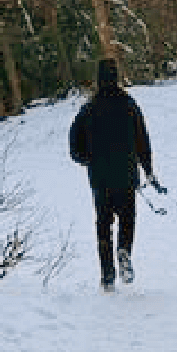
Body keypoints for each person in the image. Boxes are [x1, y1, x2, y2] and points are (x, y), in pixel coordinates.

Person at [69, 58, 155, 291]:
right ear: (116, 77)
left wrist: (86, 159)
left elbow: (74, 143)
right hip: (126, 174)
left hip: (100, 178)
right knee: (127, 219)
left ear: (99, 79)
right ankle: (124, 250)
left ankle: (107, 275)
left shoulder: (88, 108)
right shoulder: (128, 104)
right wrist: (148, 169)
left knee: (104, 224)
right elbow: (142, 139)